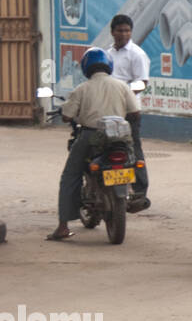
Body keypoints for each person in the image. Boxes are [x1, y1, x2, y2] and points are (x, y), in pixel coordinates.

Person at [48, 49, 143, 241]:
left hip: (91, 136)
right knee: (134, 159)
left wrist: (70, 112)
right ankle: (136, 192)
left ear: (86, 67)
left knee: (70, 175)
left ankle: (63, 226)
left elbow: (67, 116)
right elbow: (135, 112)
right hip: (120, 136)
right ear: (108, 65)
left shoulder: (82, 89)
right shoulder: (122, 86)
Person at [107, 14, 150, 206]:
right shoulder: (107, 54)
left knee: (133, 148)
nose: (124, 34)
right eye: (120, 30)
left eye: (127, 30)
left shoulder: (137, 54)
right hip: (108, 110)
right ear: (112, 32)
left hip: (129, 110)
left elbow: (142, 83)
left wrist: (122, 92)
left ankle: (140, 190)